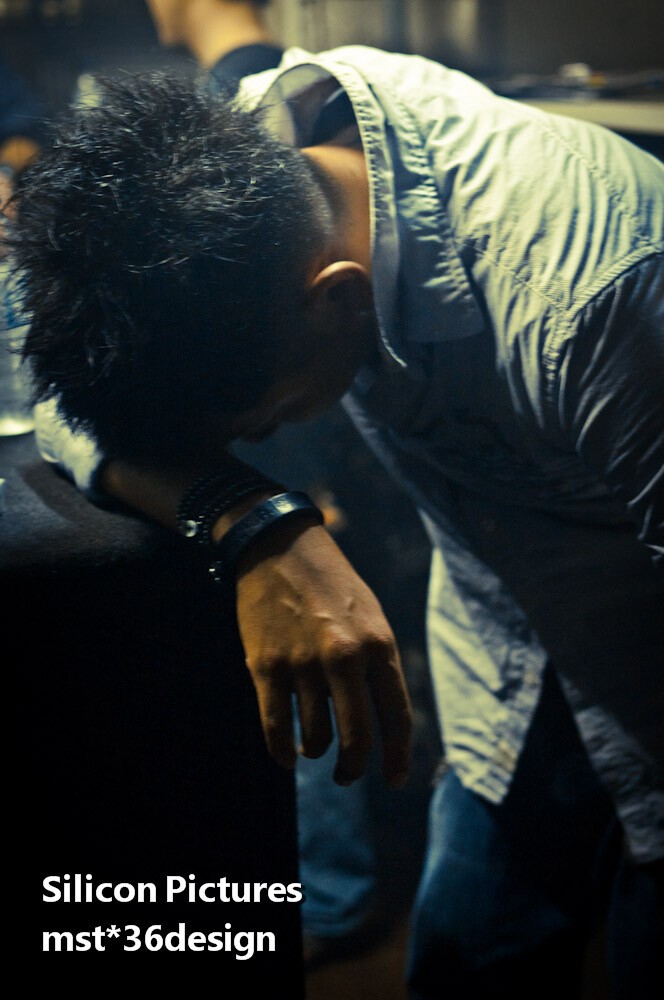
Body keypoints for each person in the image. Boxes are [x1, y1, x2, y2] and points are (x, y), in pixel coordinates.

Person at [9, 41, 663, 998]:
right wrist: (252, 519)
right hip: (502, 646)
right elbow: (70, 400)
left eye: (260, 422)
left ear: (341, 297)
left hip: (649, 658)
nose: (258, 440)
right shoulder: (232, 165)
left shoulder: (600, 293)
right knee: (464, 966)